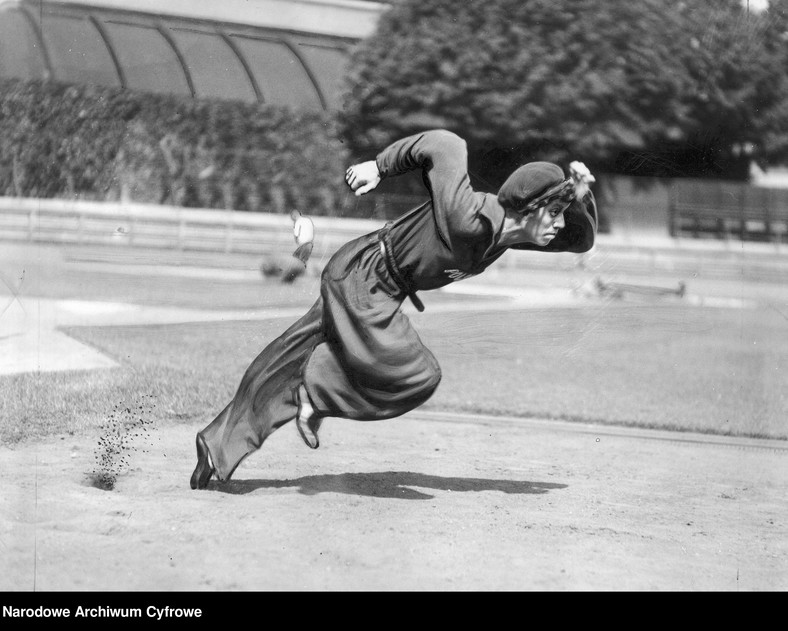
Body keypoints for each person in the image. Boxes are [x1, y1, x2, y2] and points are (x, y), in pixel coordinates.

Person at [190, 129, 597, 489]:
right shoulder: (467, 216)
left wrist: (577, 194)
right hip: (366, 278)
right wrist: (378, 166)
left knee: (288, 355)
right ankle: (314, 391)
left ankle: (217, 447)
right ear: (528, 206)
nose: (560, 223)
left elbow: (579, 239)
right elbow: (444, 143)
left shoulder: (510, 233)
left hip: (369, 283)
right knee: (419, 373)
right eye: (555, 212)